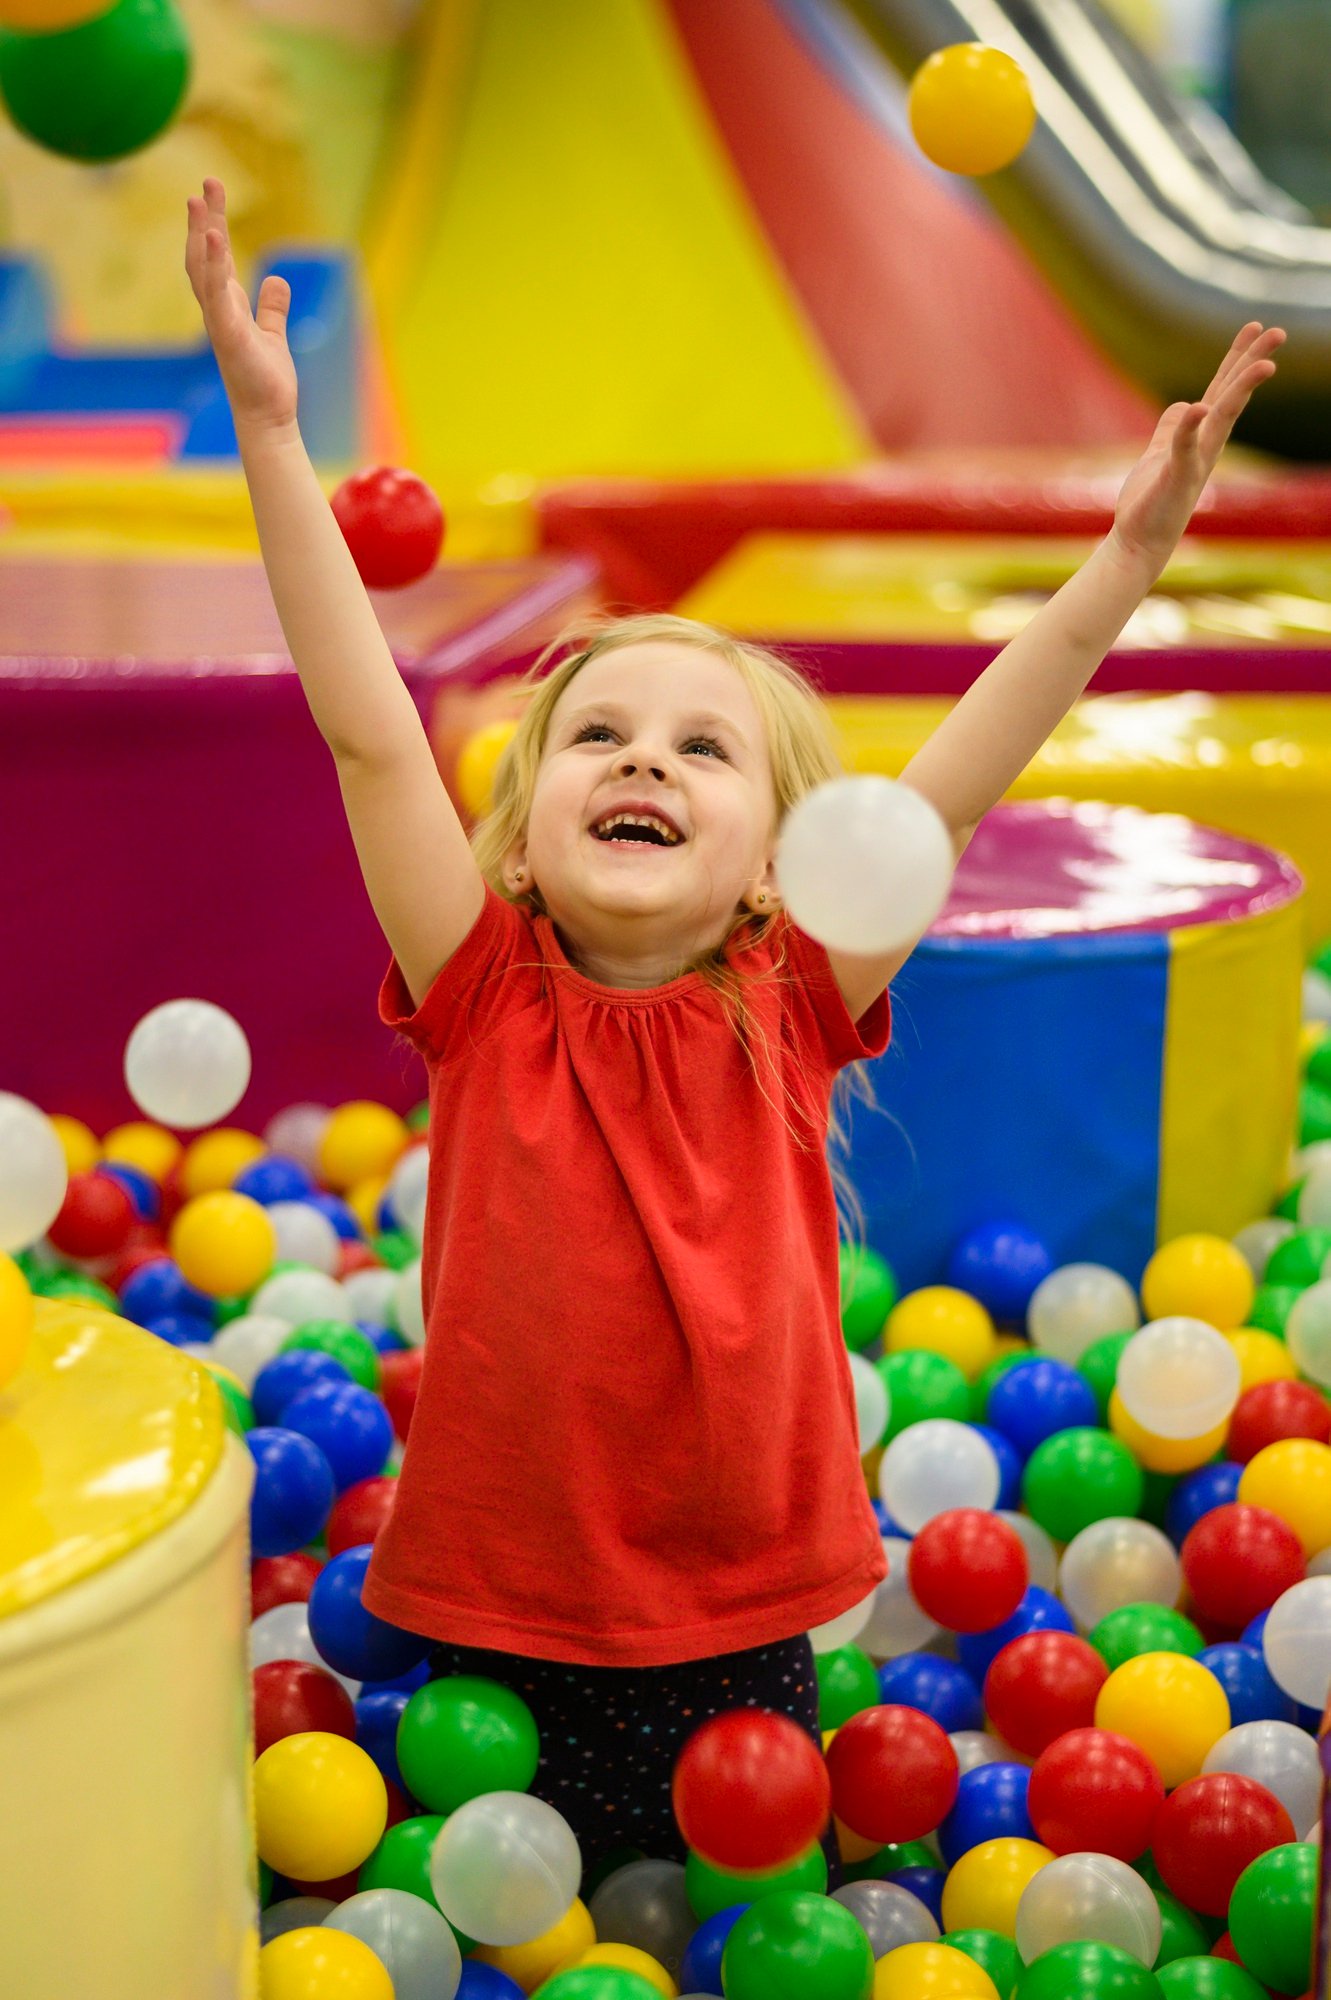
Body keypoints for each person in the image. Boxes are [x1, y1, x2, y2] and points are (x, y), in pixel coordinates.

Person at [186, 177, 1283, 1872]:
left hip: (742, 1596)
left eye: (703, 751)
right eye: (596, 735)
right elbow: (372, 738)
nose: (640, 760)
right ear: (523, 832)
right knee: (525, 1898)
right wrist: (272, 441)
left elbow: (965, 771)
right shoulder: (486, 992)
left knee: (733, 1895)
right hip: (510, 1599)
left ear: (789, 865)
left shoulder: (793, 995)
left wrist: (1129, 555)